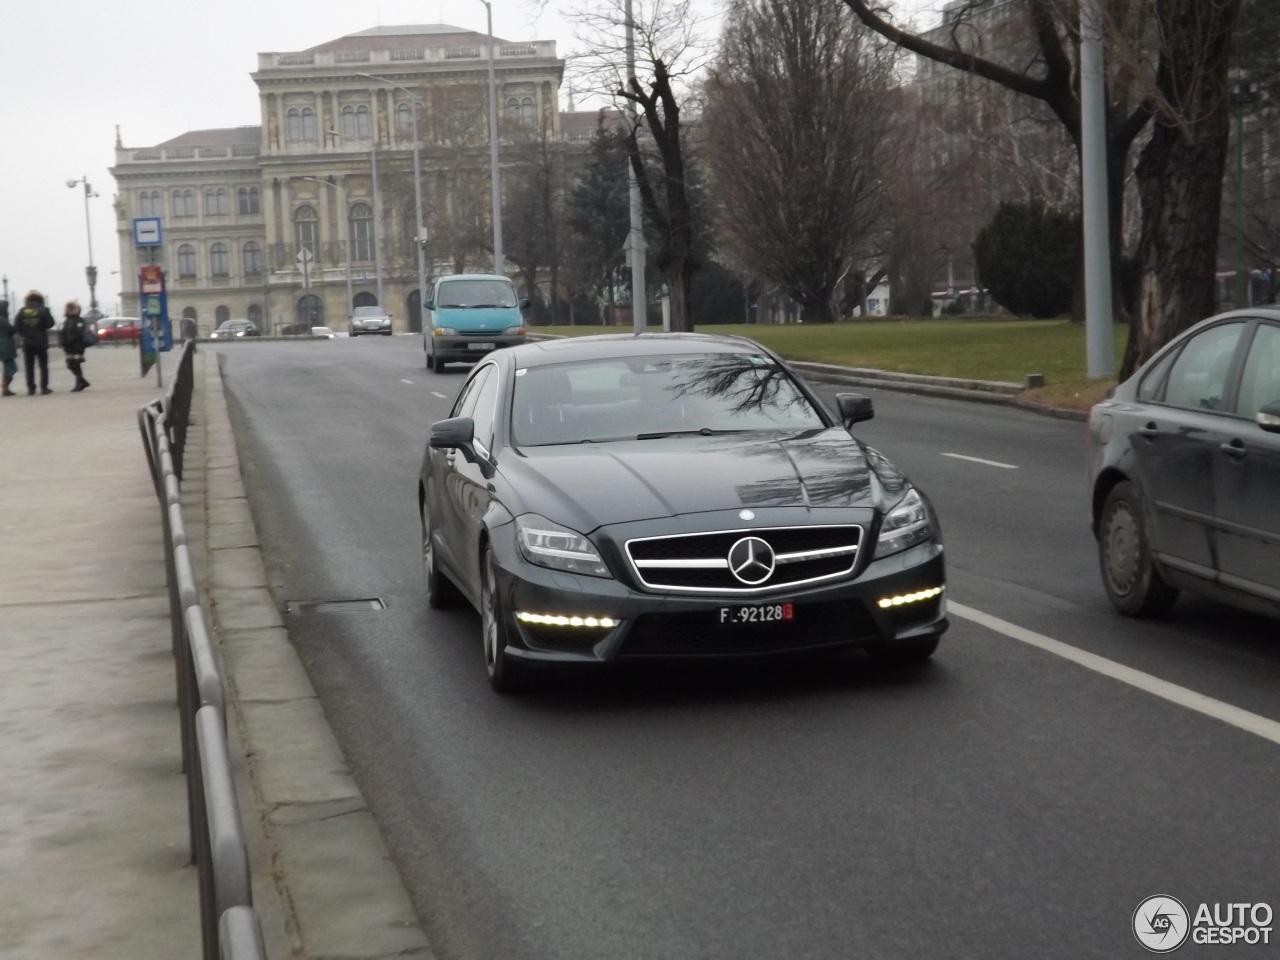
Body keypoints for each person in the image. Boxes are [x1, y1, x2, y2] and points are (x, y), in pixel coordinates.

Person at [14, 290, 55, 395]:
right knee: (43, 365)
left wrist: (25, 334)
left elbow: (17, 326)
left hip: (28, 342)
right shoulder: (43, 310)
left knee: (29, 366)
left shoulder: (22, 311)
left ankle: (31, 388)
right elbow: (50, 324)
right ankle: (44, 387)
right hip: (41, 341)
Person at [59, 300, 91, 392]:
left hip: (77, 346)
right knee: (71, 365)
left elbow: (77, 333)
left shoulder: (79, 320)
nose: (67, 310)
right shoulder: (67, 320)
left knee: (75, 364)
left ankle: (79, 383)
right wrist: (62, 342)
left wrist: (68, 341)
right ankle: (82, 382)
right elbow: (63, 332)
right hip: (69, 347)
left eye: (70, 308)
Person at [0, 299, 17, 396]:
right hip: (5, 346)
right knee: (12, 368)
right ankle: (4, 385)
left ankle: (6, 388)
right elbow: (11, 330)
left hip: (4, 346)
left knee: (7, 367)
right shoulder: (2, 319)